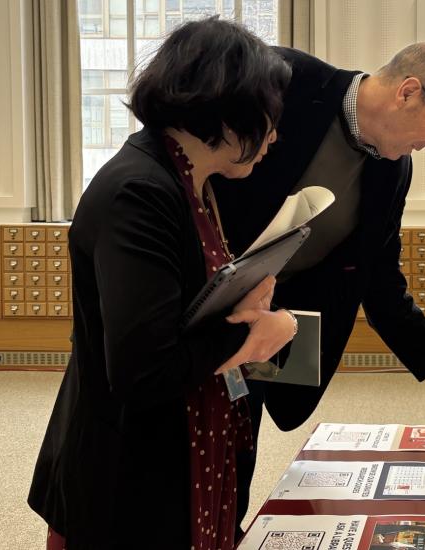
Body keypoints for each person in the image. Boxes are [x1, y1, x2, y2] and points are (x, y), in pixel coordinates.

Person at [211, 43, 425, 527]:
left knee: (234, 459)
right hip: (199, 309)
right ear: (408, 93)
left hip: (269, 335)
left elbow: (382, 284)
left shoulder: (392, 170)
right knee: (168, 464)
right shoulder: (285, 80)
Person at [28, 19, 294, 550]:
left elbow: (177, 308)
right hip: (126, 472)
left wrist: (237, 302)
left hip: (173, 449)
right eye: (269, 118)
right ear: (229, 109)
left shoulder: (186, 179)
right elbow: (143, 368)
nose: (274, 135)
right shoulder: (139, 191)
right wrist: (250, 339)